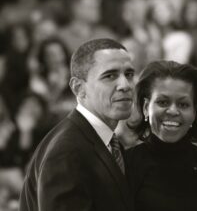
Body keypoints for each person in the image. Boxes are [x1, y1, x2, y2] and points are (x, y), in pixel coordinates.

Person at [19, 38, 135, 211]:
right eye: (110, 76)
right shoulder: (66, 152)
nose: (125, 85)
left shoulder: (104, 140)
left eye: (129, 74)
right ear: (79, 88)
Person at [126, 60, 197, 211]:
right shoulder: (125, 166)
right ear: (146, 107)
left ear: (195, 112)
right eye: (163, 102)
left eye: (183, 104)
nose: (173, 111)